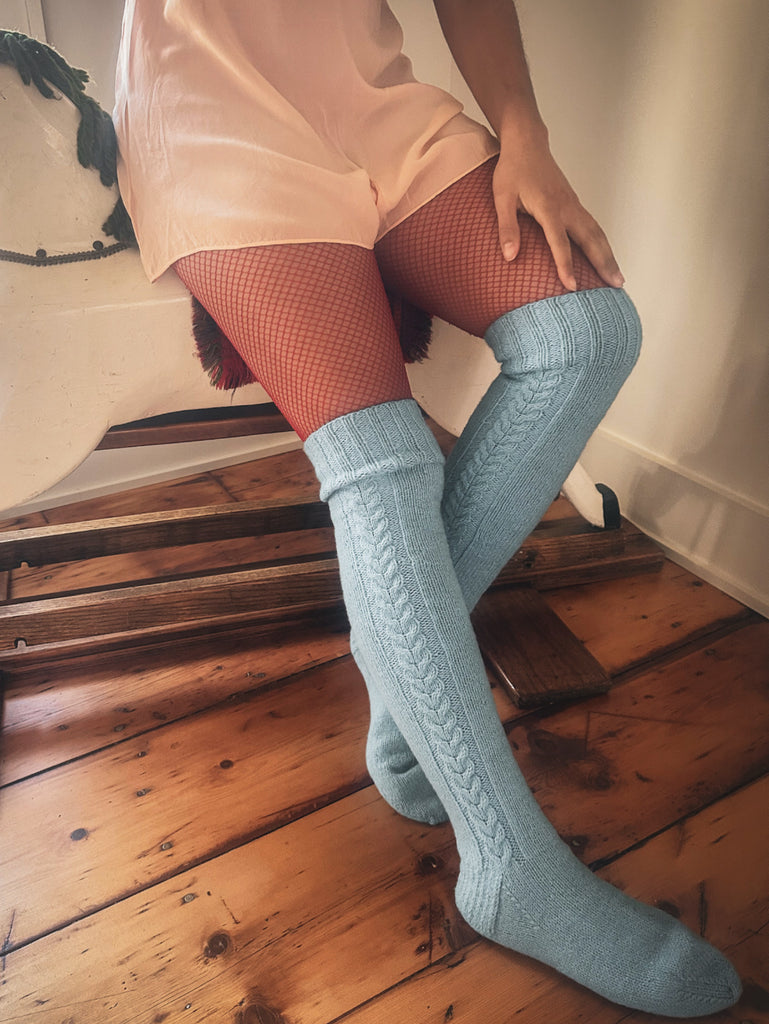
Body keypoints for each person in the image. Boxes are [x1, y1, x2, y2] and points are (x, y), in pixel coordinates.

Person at [114, 1, 741, 1015]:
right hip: (211, 109)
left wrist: (525, 134)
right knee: (383, 466)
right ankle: (508, 867)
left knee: (585, 333)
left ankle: (395, 656)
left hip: (368, 99)